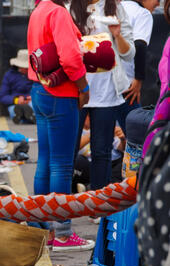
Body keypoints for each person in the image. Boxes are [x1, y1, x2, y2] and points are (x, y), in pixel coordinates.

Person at [27, 0, 94, 252]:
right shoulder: (58, 12)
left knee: (45, 160)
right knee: (62, 166)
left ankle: (43, 225)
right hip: (60, 94)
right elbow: (70, 57)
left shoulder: (39, 10)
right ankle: (63, 233)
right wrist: (83, 87)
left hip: (40, 90)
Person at [70, 0, 136, 192]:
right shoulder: (69, 7)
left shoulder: (114, 8)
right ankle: (64, 203)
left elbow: (129, 54)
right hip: (78, 89)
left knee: (102, 151)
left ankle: (98, 206)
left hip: (107, 92)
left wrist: (117, 35)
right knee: (70, 149)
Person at [121, 0, 159, 106]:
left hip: (103, 81)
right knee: (131, 120)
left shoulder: (114, 8)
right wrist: (138, 79)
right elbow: (140, 45)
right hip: (128, 84)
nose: (158, 4)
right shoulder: (142, 13)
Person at [0, 49, 35, 124]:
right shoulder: (9, 75)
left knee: (34, 106)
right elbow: (3, 97)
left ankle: (29, 116)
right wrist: (16, 100)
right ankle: (28, 117)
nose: (27, 69)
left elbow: (38, 90)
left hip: (31, 102)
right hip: (15, 103)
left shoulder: (34, 74)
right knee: (14, 111)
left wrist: (33, 98)